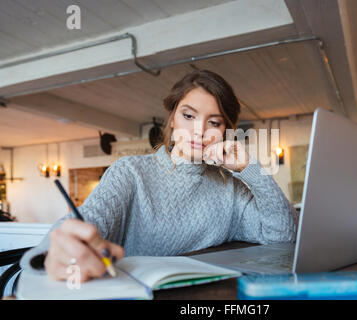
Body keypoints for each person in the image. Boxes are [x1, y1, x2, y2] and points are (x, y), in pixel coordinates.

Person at [20, 69, 297, 283]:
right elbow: (92, 216)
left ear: (225, 131)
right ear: (172, 118)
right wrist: (52, 253)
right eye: (189, 116)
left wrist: (252, 168)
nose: (199, 131)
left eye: (214, 122)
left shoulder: (231, 190)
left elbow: (282, 235)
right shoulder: (131, 172)